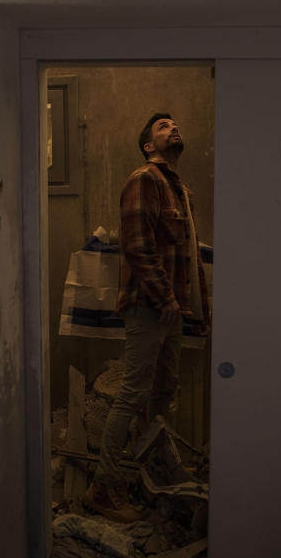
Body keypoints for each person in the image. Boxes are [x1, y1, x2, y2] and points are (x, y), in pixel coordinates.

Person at [85, 113, 210, 522]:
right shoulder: (144, 180)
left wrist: (192, 307)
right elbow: (137, 249)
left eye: (175, 124)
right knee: (134, 393)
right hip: (150, 305)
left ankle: (152, 470)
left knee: (163, 391)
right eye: (162, 126)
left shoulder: (182, 192)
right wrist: (166, 299)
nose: (173, 128)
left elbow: (188, 255)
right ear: (148, 145)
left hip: (172, 307)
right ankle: (103, 486)